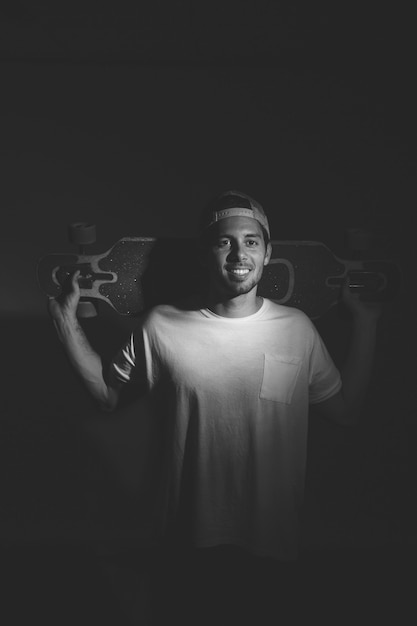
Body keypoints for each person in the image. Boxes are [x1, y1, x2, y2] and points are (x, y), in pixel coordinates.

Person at [48, 190, 382, 624]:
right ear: (207, 253)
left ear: (267, 255)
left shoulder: (296, 330)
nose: (238, 253)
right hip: (187, 538)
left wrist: (369, 326)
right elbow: (107, 396)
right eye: (224, 242)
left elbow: (345, 412)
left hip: (272, 538)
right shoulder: (162, 325)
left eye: (251, 241)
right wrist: (66, 325)